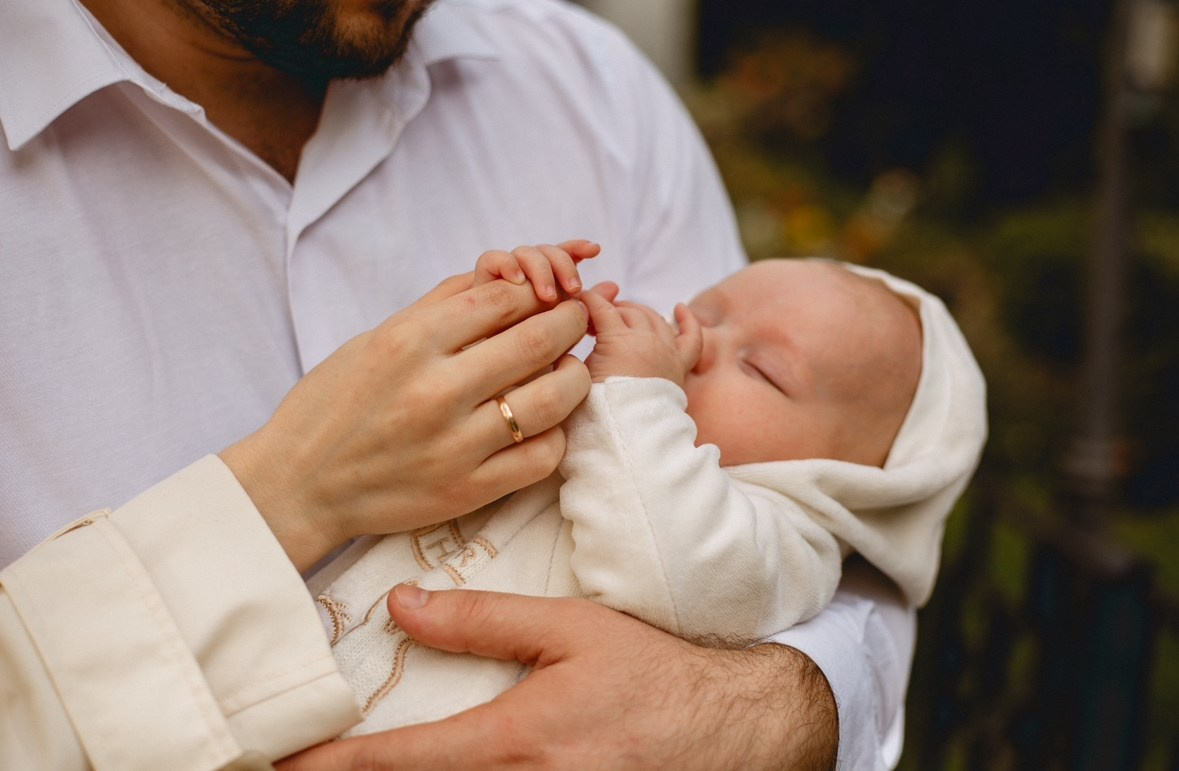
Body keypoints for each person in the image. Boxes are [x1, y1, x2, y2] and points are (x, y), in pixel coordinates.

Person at [0, 0, 948, 768]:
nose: (696, 334)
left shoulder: (591, 91)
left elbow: (837, 538)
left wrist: (758, 713)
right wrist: (290, 493)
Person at [306, 244, 987, 734]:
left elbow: (670, 565)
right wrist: (515, 314)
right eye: (704, 311)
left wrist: (634, 389)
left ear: (848, 477)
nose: (694, 341)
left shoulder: (785, 542)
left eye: (761, 368)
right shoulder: (618, 425)